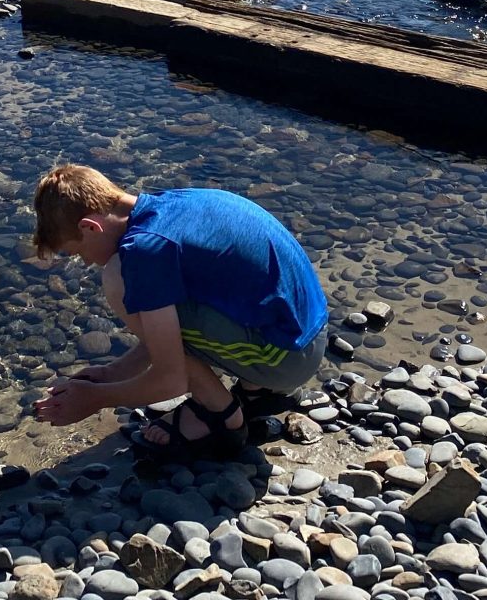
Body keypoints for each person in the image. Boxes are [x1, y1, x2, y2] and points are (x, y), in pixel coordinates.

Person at [29, 164, 329, 463]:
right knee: (152, 292)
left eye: (78, 253)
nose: (86, 262)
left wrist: (94, 399)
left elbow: (170, 380)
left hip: (286, 358)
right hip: (306, 333)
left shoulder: (142, 251)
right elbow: (171, 321)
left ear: (89, 227)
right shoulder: (174, 203)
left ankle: (221, 415)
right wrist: (114, 373)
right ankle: (256, 390)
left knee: (117, 278)